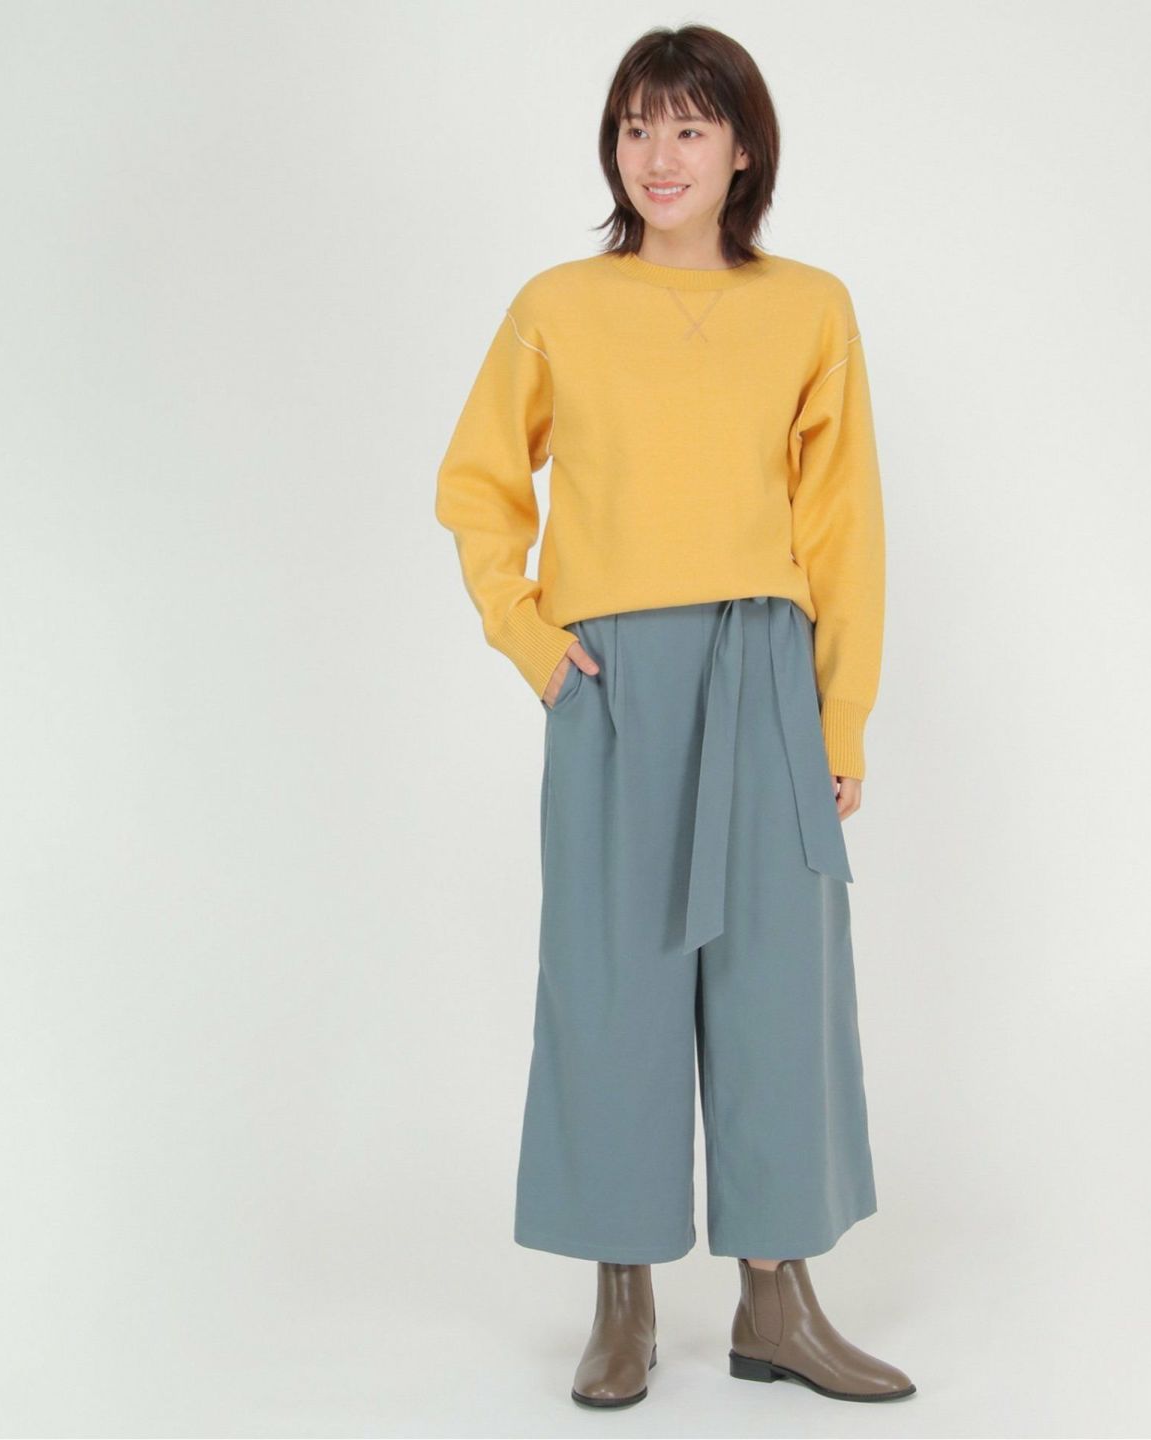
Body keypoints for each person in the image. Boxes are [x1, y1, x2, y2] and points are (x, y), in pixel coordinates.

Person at [434, 22, 916, 1410]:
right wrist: (533, 641)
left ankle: (777, 1299)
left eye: (691, 126)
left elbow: (844, 527)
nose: (660, 153)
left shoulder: (810, 308)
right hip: (614, 684)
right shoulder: (558, 305)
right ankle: (622, 1296)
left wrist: (840, 717)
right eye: (638, 125)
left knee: (780, 986)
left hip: (765, 666)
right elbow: (476, 485)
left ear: (742, 148)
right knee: (611, 988)